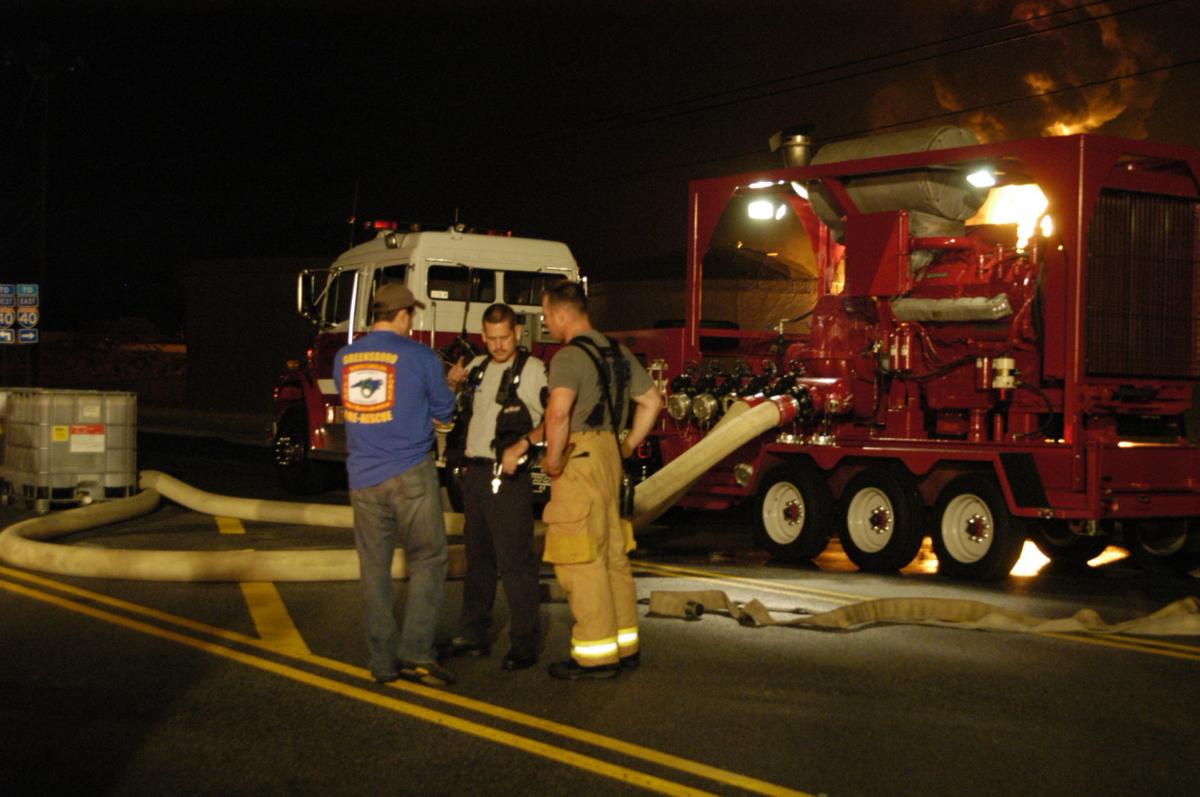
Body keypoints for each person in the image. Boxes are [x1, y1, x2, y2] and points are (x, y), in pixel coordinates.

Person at [333, 281, 457, 687]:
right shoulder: (421, 356)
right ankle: (417, 652)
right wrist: (450, 384)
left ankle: (382, 662)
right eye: (411, 316)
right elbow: (443, 410)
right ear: (403, 315)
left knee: (374, 570)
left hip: (363, 477)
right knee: (428, 559)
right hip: (410, 474)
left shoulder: (344, 358)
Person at [539, 280, 662, 680]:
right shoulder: (618, 352)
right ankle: (625, 645)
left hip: (581, 459)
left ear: (561, 313)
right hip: (611, 456)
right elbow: (651, 401)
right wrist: (627, 444)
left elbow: (558, 414)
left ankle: (595, 656)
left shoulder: (568, 358)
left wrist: (554, 461)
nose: (546, 322)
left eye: (546, 315)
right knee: (613, 555)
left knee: (581, 559)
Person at [442, 303, 546, 671]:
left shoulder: (533, 371)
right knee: (478, 560)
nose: (499, 345)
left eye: (506, 337)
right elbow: (453, 415)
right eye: (492, 338)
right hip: (476, 475)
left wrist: (523, 446)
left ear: (518, 332)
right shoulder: (476, 368)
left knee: (516, 563)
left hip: (509, 478)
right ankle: (473, 634)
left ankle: (524, 643)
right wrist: (452, 385)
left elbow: (553, 419)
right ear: (482, 336)